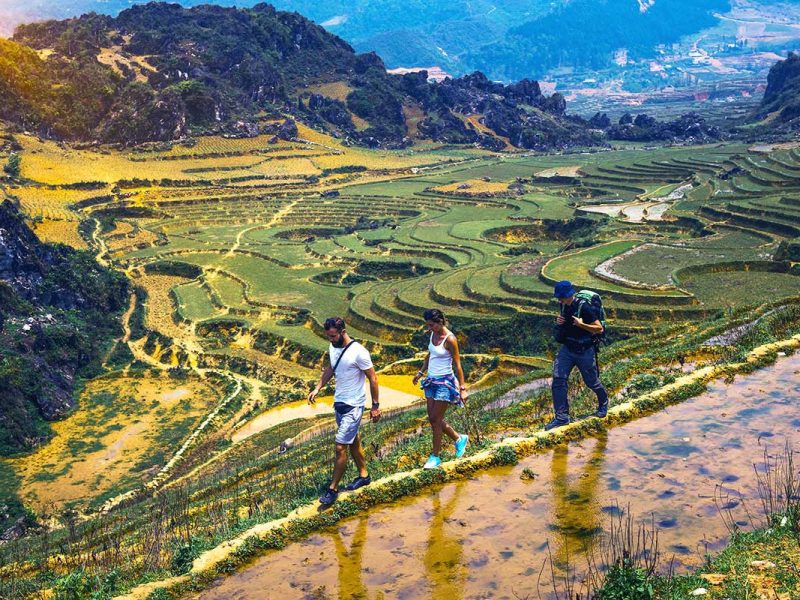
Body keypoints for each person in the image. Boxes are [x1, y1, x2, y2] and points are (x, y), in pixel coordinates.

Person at [309, 317, 381, 506]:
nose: (330, 339)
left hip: (354, 406)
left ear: (342, 331)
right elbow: (331, 368)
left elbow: (373, 378)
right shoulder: (334, 347)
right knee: (353, 441)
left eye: (333, 336)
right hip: (339, 403)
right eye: (328, 336)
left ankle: (332, 489)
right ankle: (364, 476)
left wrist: (375, 406)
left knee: (340, 446)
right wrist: (317, 388)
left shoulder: (359, 352)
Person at [545, 280, 609, 430]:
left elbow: (599, 329)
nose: (559, 300)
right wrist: (559, 321)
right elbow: (564, 326)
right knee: (558, 379)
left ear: (569, 295)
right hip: (567, 348)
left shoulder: (584, 307)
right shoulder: (563, 306)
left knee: (591, 382)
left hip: (584, 350)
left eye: (561, 297)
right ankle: (561, 417)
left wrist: (582, 325)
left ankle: (604, 402)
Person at [412, 308, 469, 469]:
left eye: (431, 325)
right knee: (432, 419)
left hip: (445, 382)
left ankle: (435, 457)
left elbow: (458, 365)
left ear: (440, 322)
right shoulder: (432, 334)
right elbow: (430, 354)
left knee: (436, 420)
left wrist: (463, 388)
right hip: (431, 381)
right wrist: (420, 372)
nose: (429, 328)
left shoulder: (450, 340)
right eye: (427, 325)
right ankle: (459, 439)